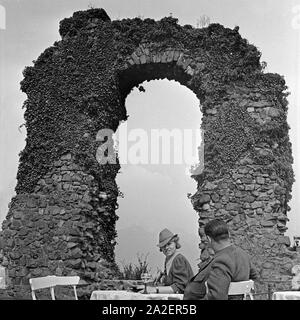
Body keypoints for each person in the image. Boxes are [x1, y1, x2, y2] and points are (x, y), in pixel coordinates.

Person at [184, 219, 258, 300]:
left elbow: (216, 297)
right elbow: (254, 276)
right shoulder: (242, 254)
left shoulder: (221, 260)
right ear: (228, 234)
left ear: (209, 239)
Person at [147, 228, 194, 294]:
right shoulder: (169, 259)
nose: (166, 248)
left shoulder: (178, 259)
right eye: (163, 246)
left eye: (169, 244)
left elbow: (180, 287)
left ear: (175, 243)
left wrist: (156, 289)